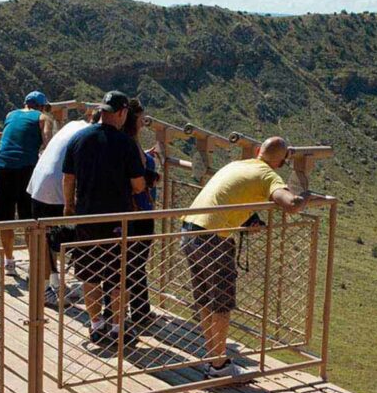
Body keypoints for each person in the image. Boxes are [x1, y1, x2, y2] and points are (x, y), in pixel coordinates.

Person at [179, 137, 309, 378]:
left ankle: (214, 358)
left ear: (258, 151)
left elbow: (230, 194)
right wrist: (304, 195)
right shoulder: (269, 176)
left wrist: (247, 219)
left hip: (189, 230)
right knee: (221, 303)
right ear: (281, 163)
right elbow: (289, 204)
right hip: (214, 238)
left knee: (206, 300)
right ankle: (219, 366)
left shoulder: (237, 165)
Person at [62, 91, 145, 345]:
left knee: (90, 274)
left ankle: (96, 324)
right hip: (118, 220)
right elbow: (139, 185)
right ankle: (118, 328)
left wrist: (69, 206)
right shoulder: (126, 143)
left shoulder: (78, 139)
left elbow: (68, 178)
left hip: (86, 217)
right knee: (120, 276)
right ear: (121, 113)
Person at [26, 108, 97, 308]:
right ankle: (46, 289)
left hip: (38, 184)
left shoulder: (73, 125)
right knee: (61, 237)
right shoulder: (89, 136)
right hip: (56, 190)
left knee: (43, 238)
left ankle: (51, 286)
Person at [0, 91, 54, 278]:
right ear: (43, 106)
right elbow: (48, 144)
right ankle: (34, 265)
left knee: (5, 217)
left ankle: (9, 262)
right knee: (29, 219)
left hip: (3, 167)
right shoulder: (43, 117)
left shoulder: (10, 114)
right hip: (26, 169)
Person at [122, 99, 160, 328]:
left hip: (126, 209)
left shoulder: (124, 142)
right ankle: (139, 313)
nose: (143, 124)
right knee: (136, 262)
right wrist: (152, 176)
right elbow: (136, 179)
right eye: (141, 119)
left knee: (129, 262)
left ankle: (134, 311)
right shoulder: (129, 143)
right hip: (139, 210)